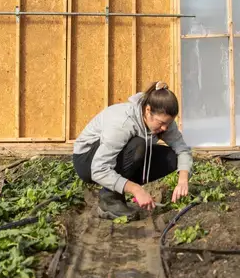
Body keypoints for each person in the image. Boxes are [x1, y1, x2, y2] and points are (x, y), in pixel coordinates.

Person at [72, 81, 193, 219]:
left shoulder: (164, 121)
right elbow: (99, 169)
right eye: (161, 123)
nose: (165, 128)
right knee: (138, 145)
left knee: (172, 158)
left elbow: (182, 149)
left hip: (118, 156)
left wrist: (183, 180)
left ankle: (118, 189)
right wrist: (136, 190)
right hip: (87, 160)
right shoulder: (123, 123)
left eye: (169, 123)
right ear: (148, 111)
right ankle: (109, 198)